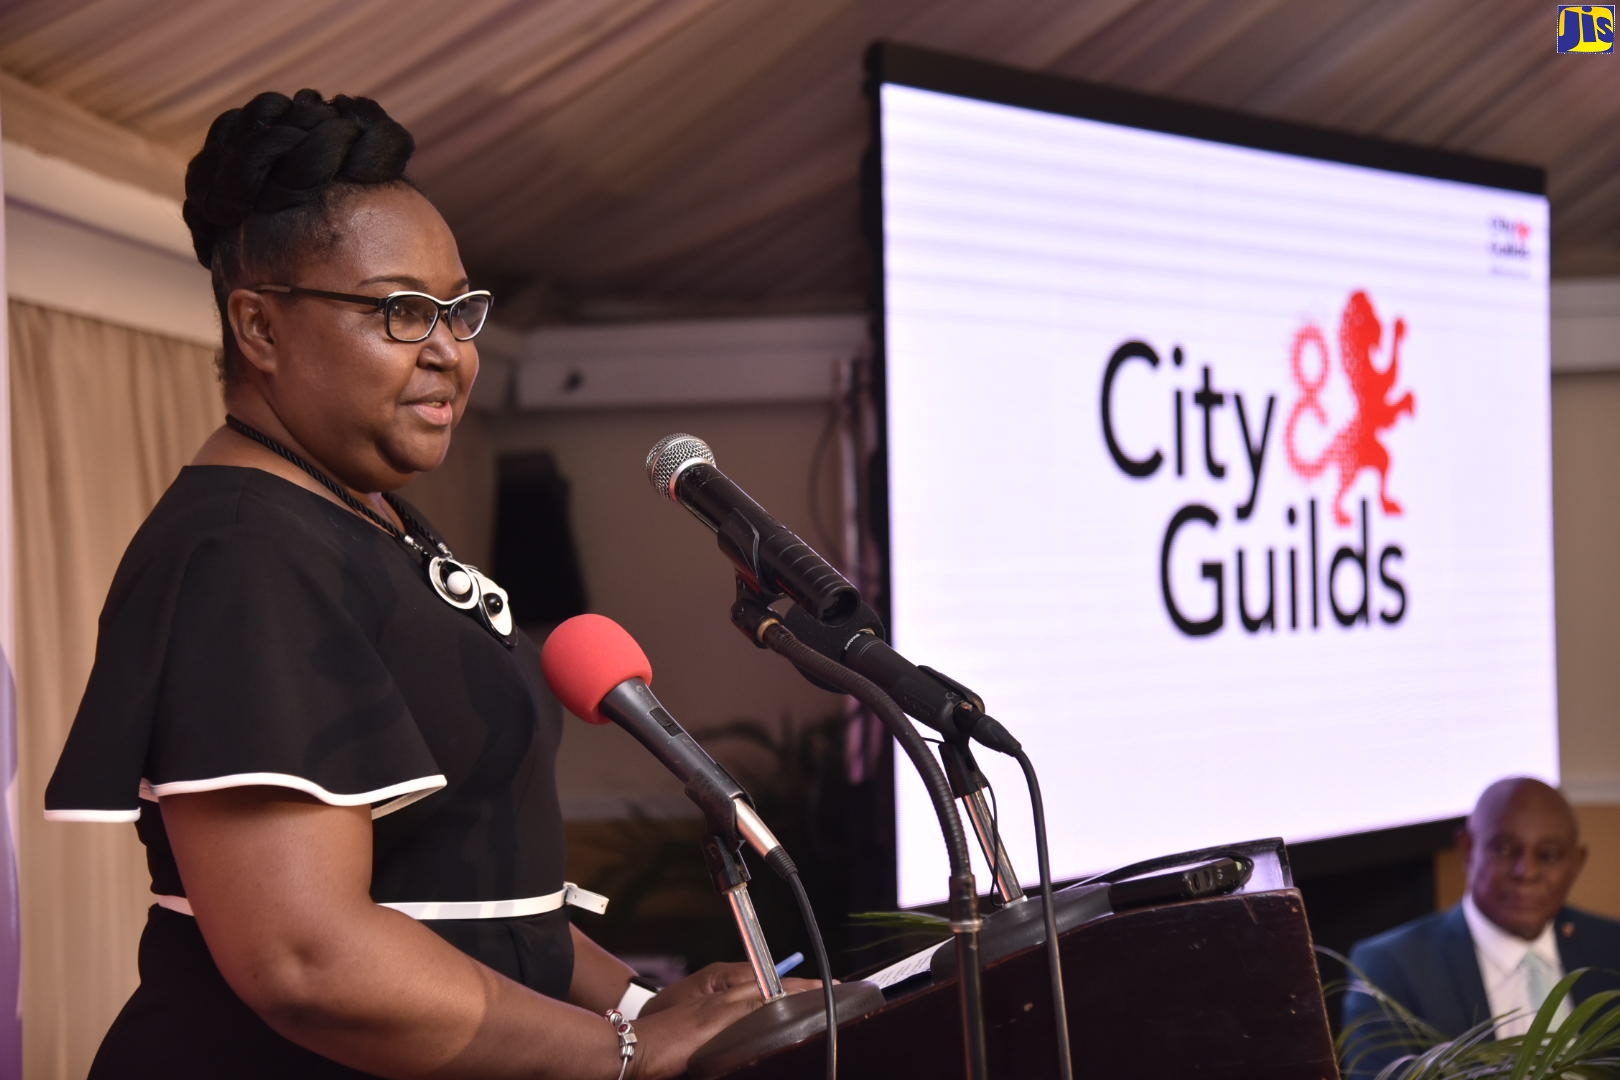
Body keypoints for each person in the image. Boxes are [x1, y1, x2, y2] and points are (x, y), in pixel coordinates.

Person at [43, 89, 811, 1079]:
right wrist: (620, 1052)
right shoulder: (240, 554)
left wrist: (640, 1000)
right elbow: (308, 958)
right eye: (402, 310)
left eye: (461, 310)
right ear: (260, 328)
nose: (451, 350)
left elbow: (463, 895)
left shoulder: (367, 516)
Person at [1341, 777, 1620, 1077]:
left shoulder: (1610, 947)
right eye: (1505, 849)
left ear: (1576, 863)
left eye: (1548, 855)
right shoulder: (1394, 967)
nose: (1526, 872)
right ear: (1467, 849)